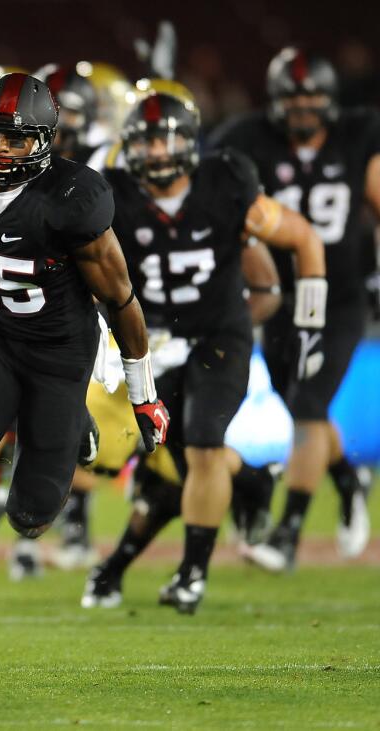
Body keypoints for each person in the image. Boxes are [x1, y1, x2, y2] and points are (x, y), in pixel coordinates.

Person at [0, 73, 167, 603]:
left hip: (59, 353)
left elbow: (120, 299)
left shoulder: (72, 196)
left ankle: (76, 420)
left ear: (43, 142)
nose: (1, 150)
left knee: (31, 515)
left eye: (16, 139)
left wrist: (144, 395)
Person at [80, 92, 325, 613]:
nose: (156, 151)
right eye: (144, 140)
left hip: (218, 338)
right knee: (175, 464)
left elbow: (304, 239)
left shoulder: (228, 182)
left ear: (192, 143)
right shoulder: (115, 194)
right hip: (151, 345)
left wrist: (310, 322)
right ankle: (252, 480)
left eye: (166, 138)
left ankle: (192, 575)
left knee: (205, 446)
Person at [211, 48, 380, 569]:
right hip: (280, 298)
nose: (303, 107)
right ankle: (350, 481)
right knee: (302, 406)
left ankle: (287, 536)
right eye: (293, 97)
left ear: (331, 101)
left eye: (312, 97)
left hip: (340, 296)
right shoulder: (247, 137)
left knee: (308, 407)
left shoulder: (361, 134)